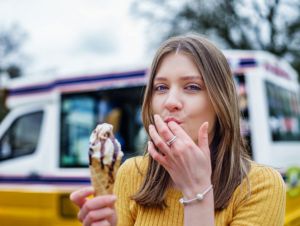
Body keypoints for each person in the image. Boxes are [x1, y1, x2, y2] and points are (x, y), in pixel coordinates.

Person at [70, 34, 286, 226]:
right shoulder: (132, 173)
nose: (170, 102)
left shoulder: (261, 185)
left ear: (221, 102)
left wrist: (196, 191)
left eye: (192, 87)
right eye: (161, 88)